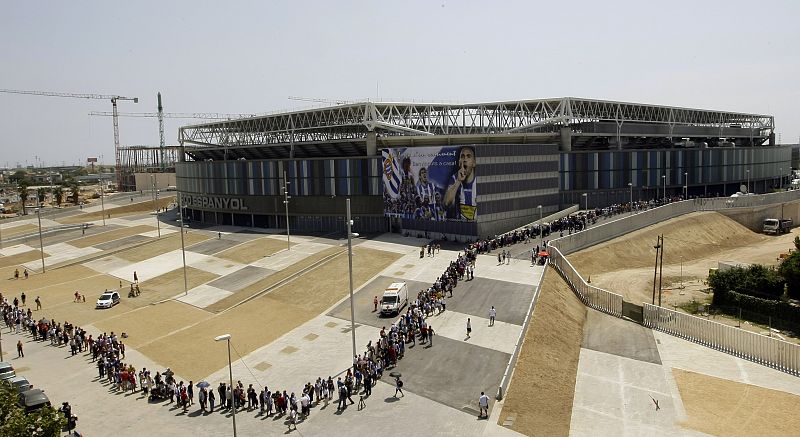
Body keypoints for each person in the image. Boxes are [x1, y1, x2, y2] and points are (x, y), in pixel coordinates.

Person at [443, 146, 477, 220]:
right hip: (460, 224)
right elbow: (446, 203)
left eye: (468, 156)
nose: (465, 159)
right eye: (462, 156)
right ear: (459, 162)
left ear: (474, 163)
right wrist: (458, 181)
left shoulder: (479, 180)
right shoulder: (454, 178)